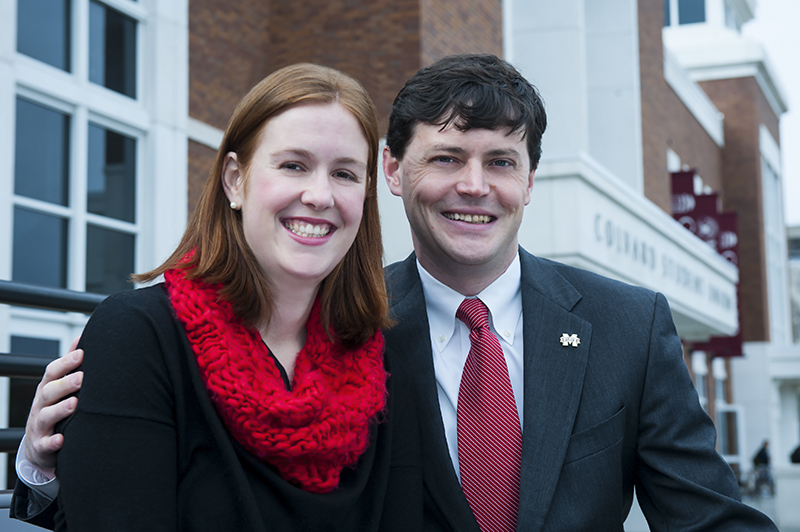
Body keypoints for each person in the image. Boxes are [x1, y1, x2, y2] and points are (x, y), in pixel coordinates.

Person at [14, 54, 778, 531]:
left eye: (501, 162)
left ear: (531, 180)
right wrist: (46, 469)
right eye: (445, 157)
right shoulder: (356, 330)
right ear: (395, 173)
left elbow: (708, 517)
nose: (474, 187)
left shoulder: (626, 324)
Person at [10, 62, 424, 531]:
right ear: (235, 180)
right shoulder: (138, 338)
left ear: (367, 194)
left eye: (345, 173)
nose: (319, 194)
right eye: (294, 165)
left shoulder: (384, 363)